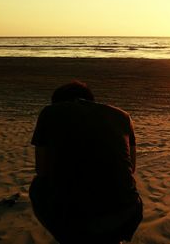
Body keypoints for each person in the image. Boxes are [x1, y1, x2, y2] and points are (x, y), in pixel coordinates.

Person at [29, 80, 142, 244]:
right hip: (127, 214)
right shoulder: (123, 116)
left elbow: (41, 169)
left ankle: (68, 237)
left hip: (74, 219)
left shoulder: (49, 113)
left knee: (37, 186)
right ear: (91, 100)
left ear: (58, 102)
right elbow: (131, 167)